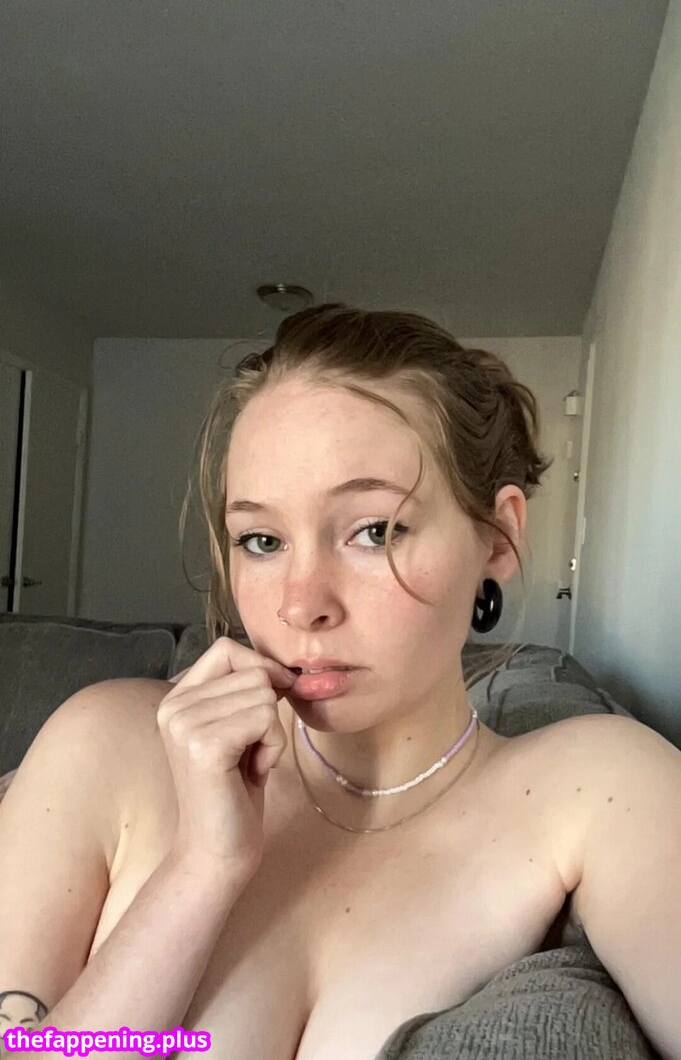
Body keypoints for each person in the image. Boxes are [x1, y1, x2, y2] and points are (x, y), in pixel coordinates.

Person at [1, 303, 679, 1060]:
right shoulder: (107, 744)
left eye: (374, 531)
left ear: (497, 536)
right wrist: (200, 869)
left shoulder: (594, 787)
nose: (301, 605)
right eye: (262, 540)